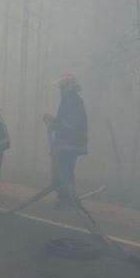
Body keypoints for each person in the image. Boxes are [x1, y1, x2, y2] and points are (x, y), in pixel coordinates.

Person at [44, 72, 88, 205]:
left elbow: (70, 123)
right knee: (65, 170)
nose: (60, 91)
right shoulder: (72, 99)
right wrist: (55, 122)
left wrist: (54, 123)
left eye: (61, 88)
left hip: (69, 144)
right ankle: (65, 196)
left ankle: (67, 197)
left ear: (65, 88)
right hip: (70, 143)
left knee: (65, 170)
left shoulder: (71, 100)